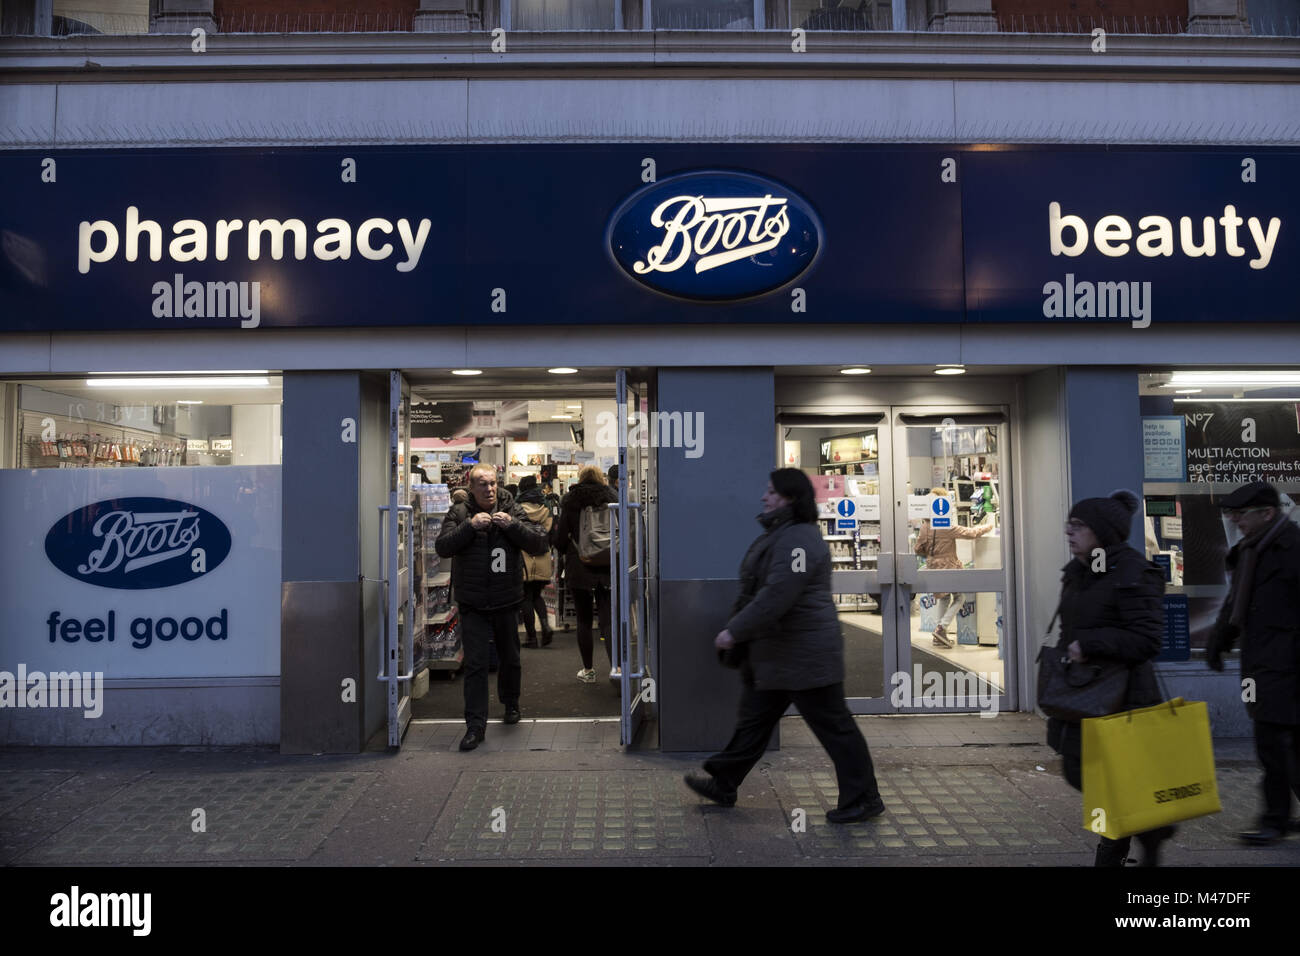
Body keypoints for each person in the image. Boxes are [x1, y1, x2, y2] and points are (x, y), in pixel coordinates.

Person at [684, 468, 885, 824]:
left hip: (805, 656)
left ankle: (864, 798)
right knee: (754, 722)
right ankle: (724, 782)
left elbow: (778, 595)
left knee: (835, 728)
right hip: (780, 655)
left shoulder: (798, 540)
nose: (765, 497)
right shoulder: (784, 534)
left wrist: (734, 631)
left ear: (790, 497)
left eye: (772, 492)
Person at [1048, 489, 1173, 866]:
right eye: (1069, 524)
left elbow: (1148, 639)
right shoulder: (1079, 572)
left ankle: (1135, 844)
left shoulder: (1134, 572)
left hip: (1125, 698)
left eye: (1079, 526)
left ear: (1102, 531)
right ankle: (1125, 838)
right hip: (1085, 693)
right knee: (1084, 773)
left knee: (1116, 780)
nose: (1070, 532)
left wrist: (1091, 644)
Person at [1207, 481, 1300, 845]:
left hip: (1287, 665)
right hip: (1265, 663)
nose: (1236, 521)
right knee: (1284, 744)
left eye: (1241, 514)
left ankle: (1275, 821)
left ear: (1267, 513)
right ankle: (1277, 818)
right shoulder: (1251, 549)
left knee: (1274, 744)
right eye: (1232, 515)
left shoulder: (1292, 549)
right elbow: (1237, 603)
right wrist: (1219, 641)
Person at [436, 463, 549, 751]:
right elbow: (443, 547)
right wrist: (469, 528)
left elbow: (538, 544)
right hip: (472, 601)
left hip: (507, 599)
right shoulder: (460, 512)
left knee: (510, 658)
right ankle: (475, 726)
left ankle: (511, 703)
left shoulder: (514, 510)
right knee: (475, 665)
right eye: (482, 484)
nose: (488, 488)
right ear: (471, 487)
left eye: (492, 483)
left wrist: (512, 526)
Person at [553, 464, 618, 682]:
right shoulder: (612, 497)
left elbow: (561, 539)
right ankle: (615, 669)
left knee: (583, 619)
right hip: (607, 565)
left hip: (579, 566)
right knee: (608, 620)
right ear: (602, 478)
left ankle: (588, 671)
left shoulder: (571, 501)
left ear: (580, 478)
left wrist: (566, 550)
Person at [913, 487, 995, 648]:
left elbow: (918, 549)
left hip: (933, 566)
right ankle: (941, 627)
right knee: (959, 597)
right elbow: (971, 533)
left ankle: (939, 633)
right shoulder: (946, 525)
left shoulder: (924, 526)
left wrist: (931, 553)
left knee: (943, 597)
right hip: (949, 566)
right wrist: (989, 526)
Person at [515, 475, 555, 650]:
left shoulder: (516, 507)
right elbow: (550, 532)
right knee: (537, 595)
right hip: (542, 555)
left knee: (525, 597)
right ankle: (546, 626)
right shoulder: (546, 507)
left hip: (524, 556)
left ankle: (531, 637)